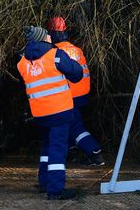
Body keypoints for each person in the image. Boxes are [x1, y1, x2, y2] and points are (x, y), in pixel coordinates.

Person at [16, 25, 84, 200]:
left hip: (40, 112)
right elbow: (76, 73)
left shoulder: (22, 62)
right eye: (47, 35)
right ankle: (55, 189)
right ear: (43, 38)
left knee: (46, 147)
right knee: (57, 149)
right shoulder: (55, 55)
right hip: (59, 110)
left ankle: (44, 182)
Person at [46, 16, 104, 166]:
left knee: (75, 127)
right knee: (68, 124)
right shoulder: (76, 49)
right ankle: (71, 152)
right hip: (81, 94)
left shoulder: (56, 51)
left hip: (68, 95)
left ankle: (94, 152)